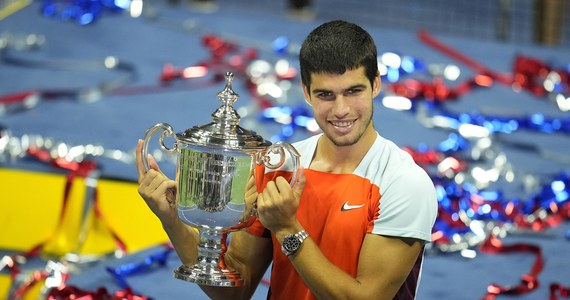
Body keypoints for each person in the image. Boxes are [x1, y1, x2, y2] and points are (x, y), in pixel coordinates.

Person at [136, 20, 438, 300]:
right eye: (326, 95)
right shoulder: (278, 167)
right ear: (306, 92)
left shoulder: (404, 184)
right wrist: (172, 218)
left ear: (376, 84)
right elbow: (233, 291)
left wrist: (287, 229)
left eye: (353, 91)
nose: (341, 109)